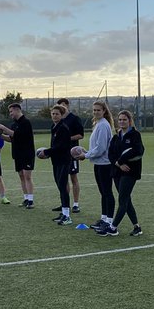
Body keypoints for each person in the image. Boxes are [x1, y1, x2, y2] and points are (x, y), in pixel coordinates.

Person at [101, 109, 144, 237]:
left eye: (124, 119)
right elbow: (111, 154)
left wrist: (122, 161)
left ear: (130, 121)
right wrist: (118, 163)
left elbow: (137, 150)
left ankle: (113, 228)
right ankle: (137, 227)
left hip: (130, 172)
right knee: (127, 200)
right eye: (120, 119)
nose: (121, 122)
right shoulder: (116, 137)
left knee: (123, 200)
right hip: (117, 172)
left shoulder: (135, 135)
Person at [86, 101, 115, 232]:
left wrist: (85, 155)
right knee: (103, 192)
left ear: (104, 111)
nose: (96, 112)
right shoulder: (98, 124)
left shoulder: (103, 125)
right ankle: (103, 218)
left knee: (107, 192)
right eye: (94, 110)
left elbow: (101, 148)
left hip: (105, 164)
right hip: (98, 163)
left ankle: (109, 220)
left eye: (98, 110)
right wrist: (88, 153)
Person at [3, 102, 37, 208]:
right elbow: (12, 139)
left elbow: (19, 135)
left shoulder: (26, 122)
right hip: (17, 154)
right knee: (21, 176)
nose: (10, 114)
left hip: (27, 153)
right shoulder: (14, 124)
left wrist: (4, 128)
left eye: (11, 111)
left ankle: (31, 200)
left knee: (27, 176)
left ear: (17, 110)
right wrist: (0, 135)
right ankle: (26, 198)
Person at [47, 105, 75, 224]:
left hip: (64, 161)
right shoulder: (54, 127)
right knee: (60, 186)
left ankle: (67, 216)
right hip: (56, 161)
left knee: (63, 187)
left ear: (62, 114)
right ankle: (63, 212)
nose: (54, 116)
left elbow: (61, 147)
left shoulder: (63, 128)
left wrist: (47, 152)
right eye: (53, 114)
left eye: (57, 114)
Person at [56, 98, 84, 213]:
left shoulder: (74, 119)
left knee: (73, 177)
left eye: (63, 106)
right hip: (61, 154)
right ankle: (65, 203)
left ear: (67, 105)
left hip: (72, 153)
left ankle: (76, 204)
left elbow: (80, 135)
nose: (61, 108)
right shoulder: (58, 120)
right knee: (63, 179)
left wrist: (67, 139)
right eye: (59, 106)